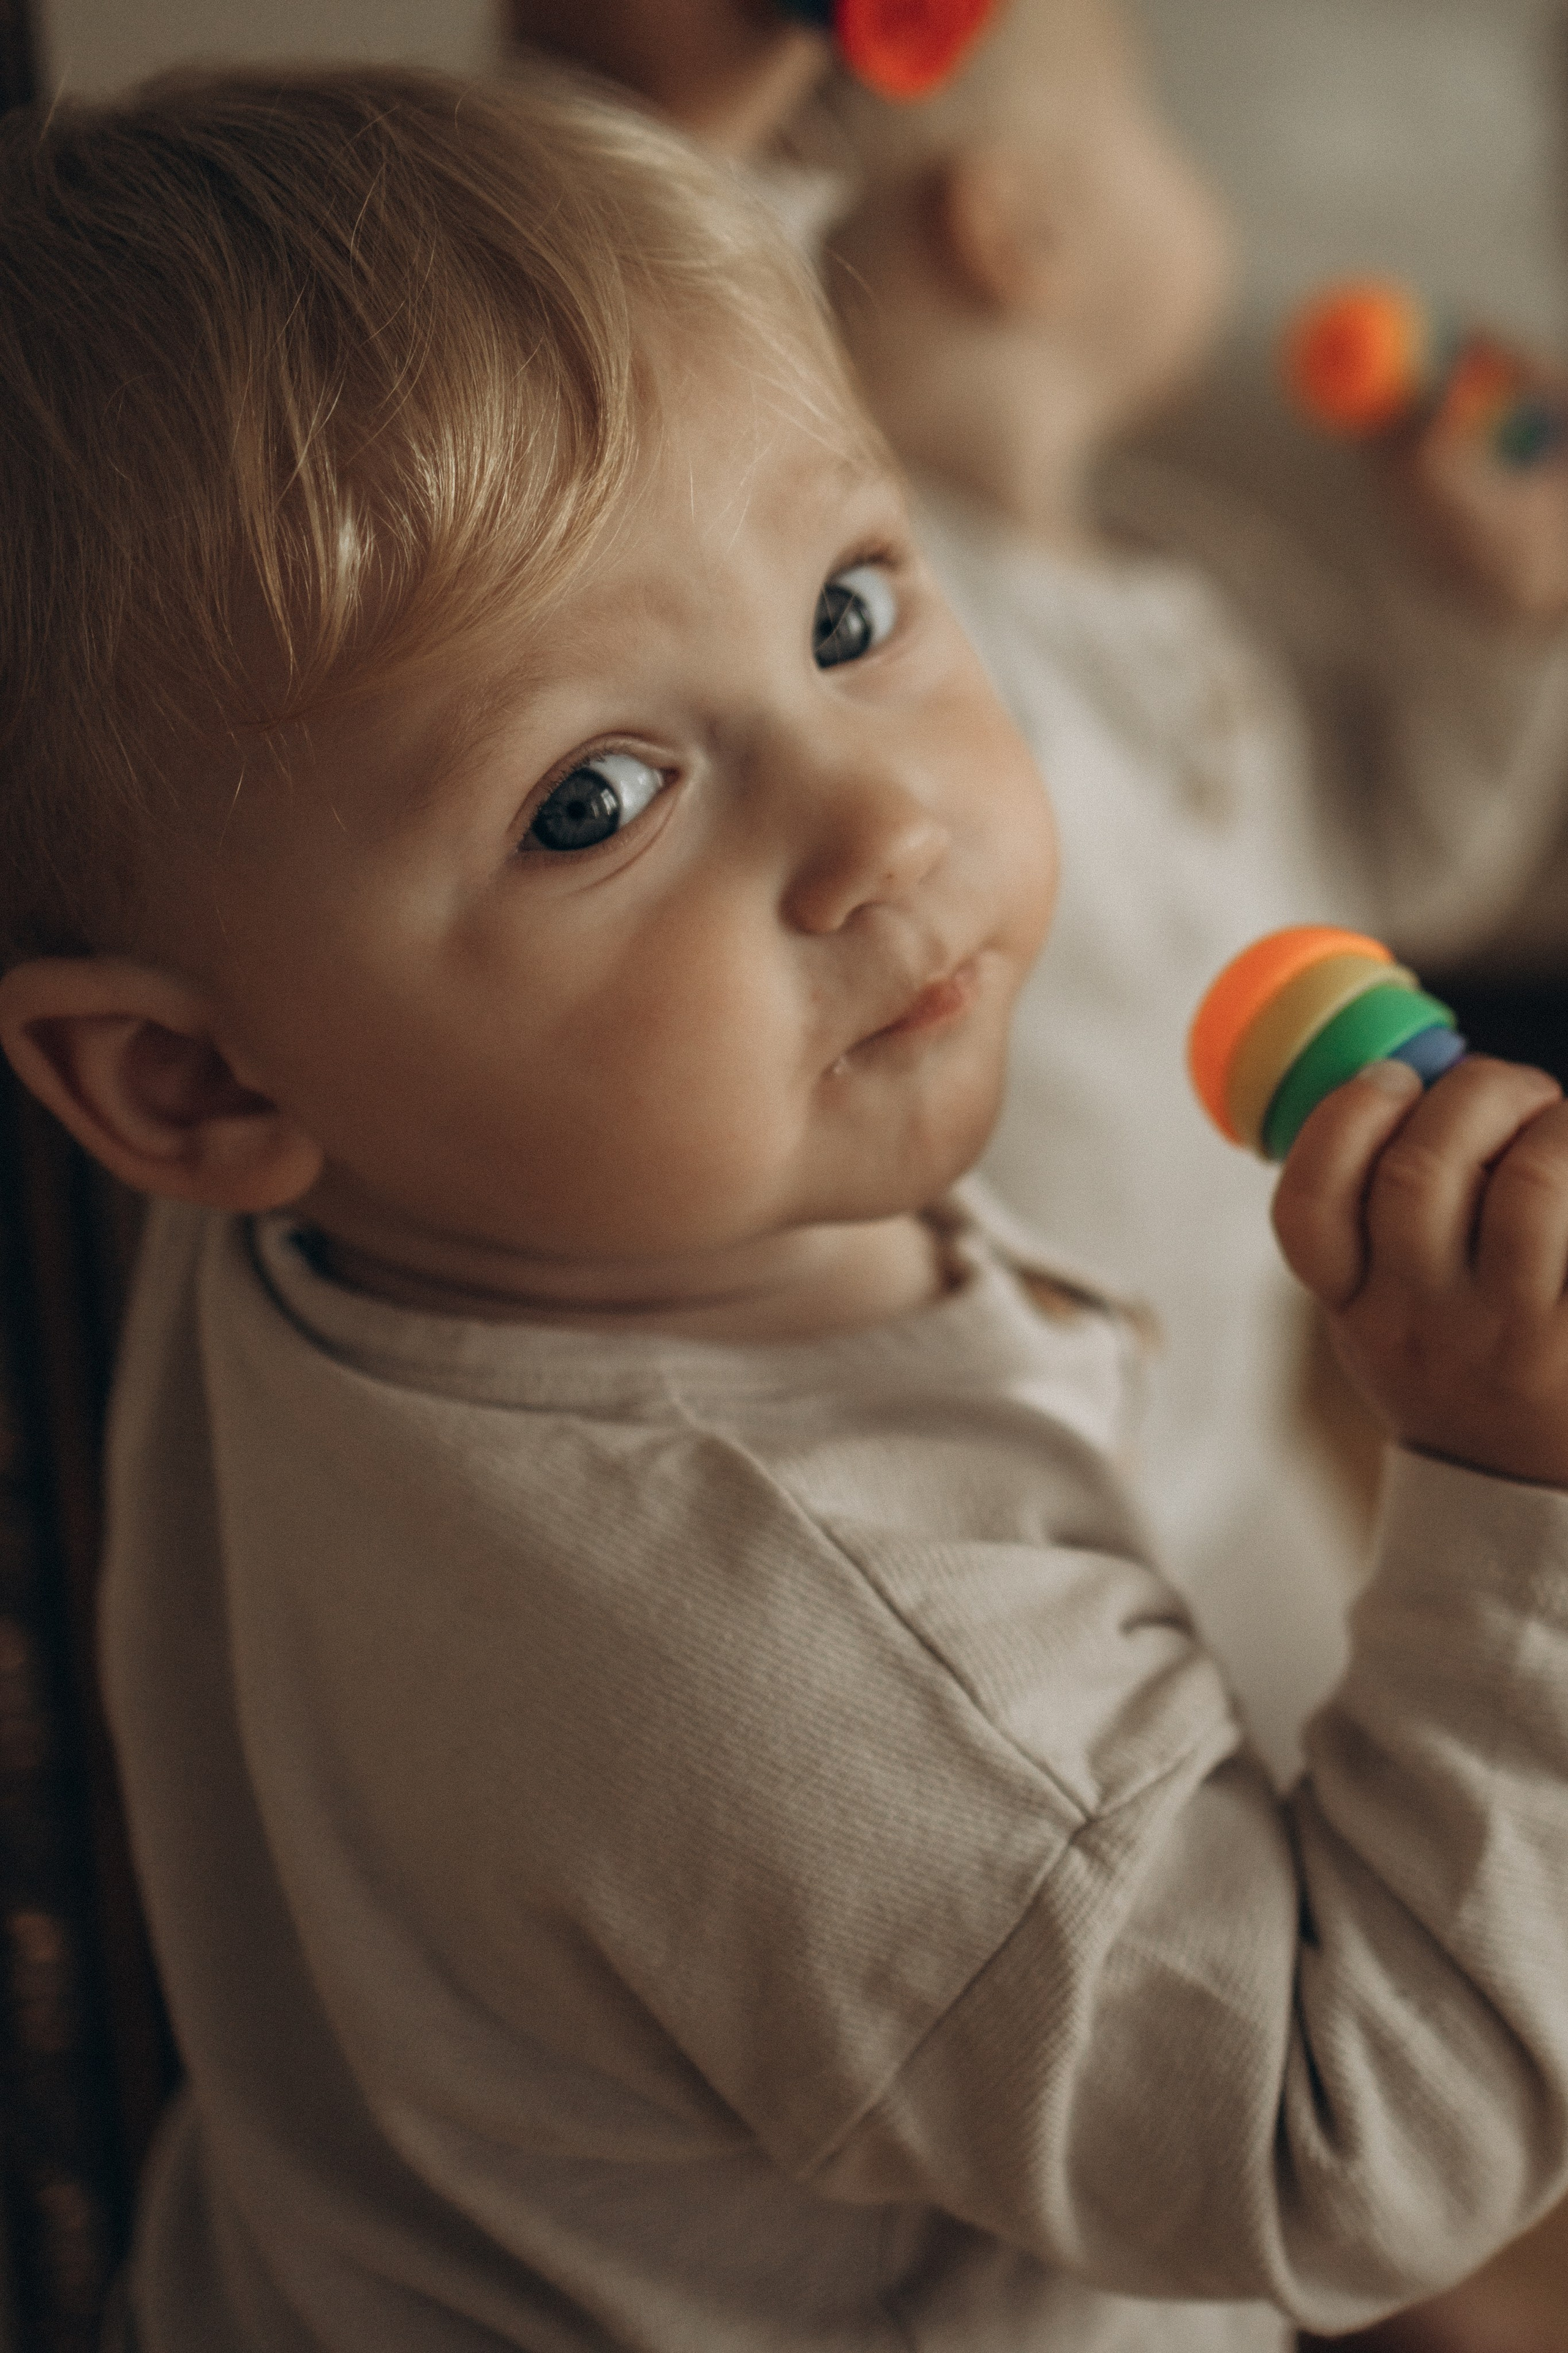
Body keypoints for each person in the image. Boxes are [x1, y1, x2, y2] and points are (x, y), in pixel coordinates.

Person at [5, 58, 1568, 2353]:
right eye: (596, 802)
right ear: (190, 1076)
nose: (877, 826)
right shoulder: (801, 1647)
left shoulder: (342, 1164)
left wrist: (710, 168)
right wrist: (1516, 1504)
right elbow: (1343, 2138)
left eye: (850, 612)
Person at [824, 0, 1372, 1775]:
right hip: (1048, 1523)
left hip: (1239, 1421)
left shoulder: (1192, 594)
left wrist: (1503, 622)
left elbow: (1377, 877)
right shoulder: (898, 632)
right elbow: (701, 239)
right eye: (1153, 120)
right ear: (1023, 226)